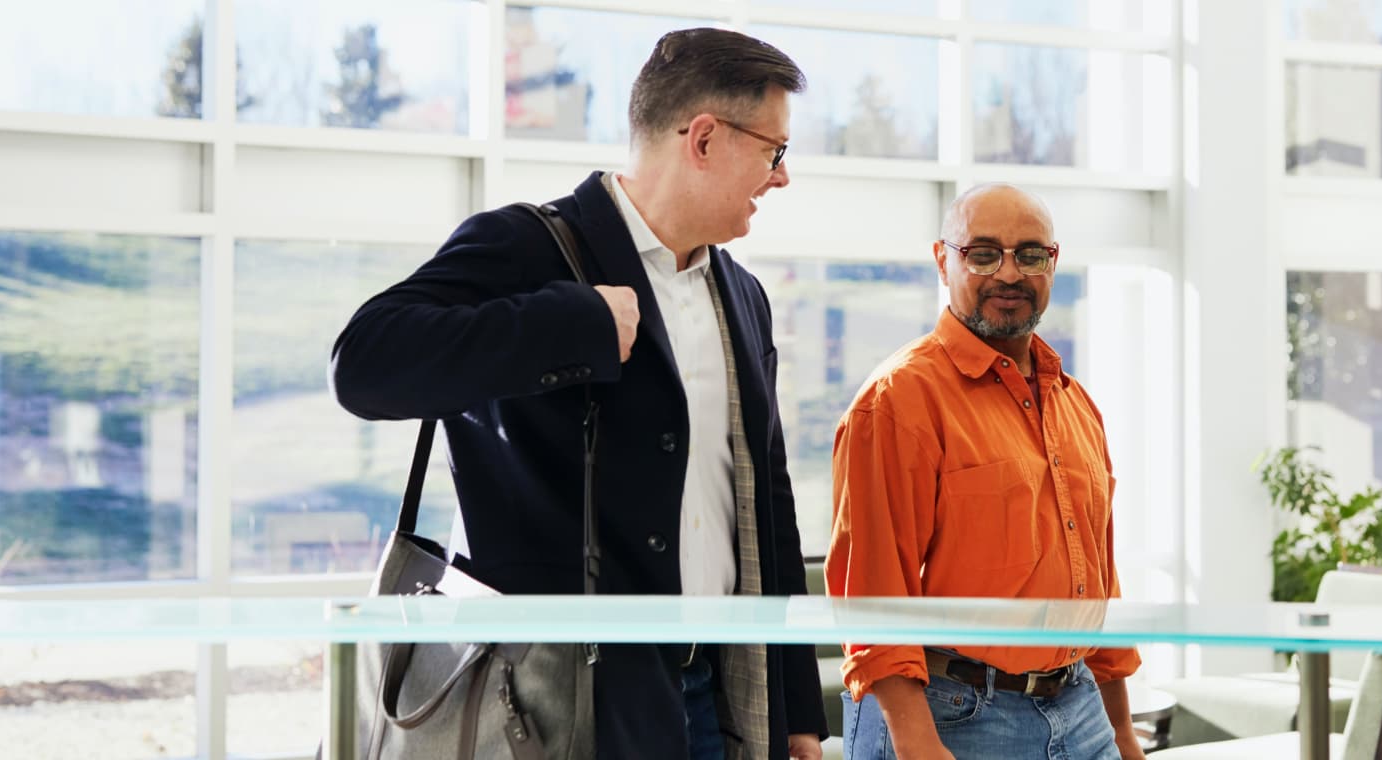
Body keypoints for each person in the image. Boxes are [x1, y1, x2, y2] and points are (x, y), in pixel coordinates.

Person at [329, 28, 825, 760]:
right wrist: (574, 323)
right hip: (557, 703)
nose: (781, 176)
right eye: (774, 150)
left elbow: (764, 505)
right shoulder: (526, 247)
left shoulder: (744, 297)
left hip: (711, 696)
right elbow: (364, 363)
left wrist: (795, 716)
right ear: (706, 139)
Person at [826, 184, 1146, 759]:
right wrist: (918, 744)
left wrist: (1121, 731)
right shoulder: (899, 400)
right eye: (982, 253)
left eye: (1029, 254)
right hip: (952, 718)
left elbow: (1097, 584)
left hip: (1081, 708)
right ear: (942, 260)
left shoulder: (1076, 405)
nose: (1009, 273)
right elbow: (872, 593)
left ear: (1052, 263)